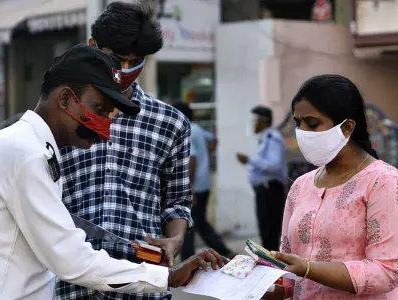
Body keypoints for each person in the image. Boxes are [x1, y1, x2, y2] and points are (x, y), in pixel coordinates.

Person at [0, 45, 227, 300]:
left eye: (110, 114)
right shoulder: (25, 154)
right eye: (99, 109)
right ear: (65, 99)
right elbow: (72, 260)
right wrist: (167, 277)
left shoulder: (18, 145)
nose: (105, 127)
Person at [56, 3, 193, 300]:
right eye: (117, 59)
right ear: (93, 47)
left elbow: (178, 201)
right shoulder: (63, 113)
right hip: (69, 285)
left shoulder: (169, 123)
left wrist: (174, 239)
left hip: (142, 285)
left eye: (137, 60)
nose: (127, 69)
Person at [264, 74, 398, 299]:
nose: (302, 132)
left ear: (346, 128)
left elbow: (386, 273)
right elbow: (289, 278)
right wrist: (241, 281)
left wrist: (308, 268)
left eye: (312, 123)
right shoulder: (301, 186)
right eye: (298, 123)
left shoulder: (384, 183)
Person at [173, 103, 236, 261]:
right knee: (199, 221)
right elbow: (214, 140)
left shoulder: (186, 130)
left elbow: (191, 158)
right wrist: (206, 154)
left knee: (187, 223)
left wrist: (189, 188)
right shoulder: (198, 129)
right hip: (204, 183)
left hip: (195, 186)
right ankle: (223, 251)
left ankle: (187, 258)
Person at [236, 105, 288, 251]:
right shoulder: (265, 138)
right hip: (265, 190)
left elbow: (275, 165)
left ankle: (273, 268)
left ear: (263, 121)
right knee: (266, 230)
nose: (253, 124)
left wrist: (250, 160)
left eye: (255, 120)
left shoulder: (272, 138)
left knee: (270, 231)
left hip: (270, 190)